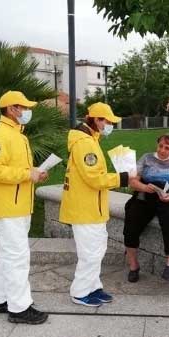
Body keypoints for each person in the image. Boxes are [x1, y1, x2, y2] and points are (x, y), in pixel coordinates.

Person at [0, 90, 48, 325]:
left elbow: (16, 169)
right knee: (18, 257)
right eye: (24, 107)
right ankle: (19, 308)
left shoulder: (17, 134)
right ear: (12, 109)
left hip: (17, 205)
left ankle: (0, 300)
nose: (27, 111)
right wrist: (27, 174)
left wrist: (34, 173)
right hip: (9, 207)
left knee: (8, 255)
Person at [59, 102, 133, 307]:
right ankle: (80, 292)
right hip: (85, 209)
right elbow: (94, 178)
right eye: (105, 120)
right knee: (90, 253)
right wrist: (124, 178)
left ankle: (93, 286)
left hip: (93, 207)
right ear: (94, 120)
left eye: (110, 121)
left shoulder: (91, 140)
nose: (108, 124)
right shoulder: (84, 143)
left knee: (97, 250)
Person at [123, 134, 169, 282]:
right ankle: (133, 266)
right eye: (160, 146)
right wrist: (145, 188)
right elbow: (133, 181)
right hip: (145, 195)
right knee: (131, 222)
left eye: (167, 148)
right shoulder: (146, 158)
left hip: (168, 196)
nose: (162, 150)